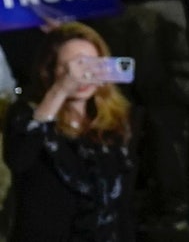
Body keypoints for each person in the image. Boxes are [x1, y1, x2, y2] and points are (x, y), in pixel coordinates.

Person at [4, 22, 133, 242]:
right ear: (51, 71)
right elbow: (19, 158)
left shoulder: (113, 121)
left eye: (91, 64)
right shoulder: (29, 114)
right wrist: (60, 90)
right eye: (70, 67)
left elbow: (122, 202)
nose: (81, 75)